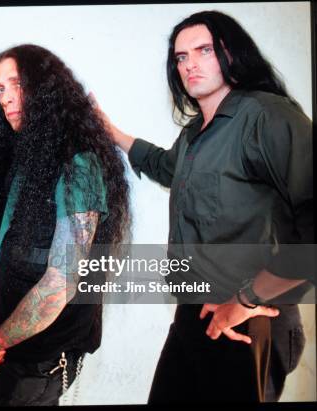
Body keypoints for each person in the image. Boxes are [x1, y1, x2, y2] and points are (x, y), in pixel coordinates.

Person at [93, 10, 313, 403]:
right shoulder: (195, 132)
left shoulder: (268, 116)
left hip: (249, 319)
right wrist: (111, 133)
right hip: (193, 313)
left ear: (232, 54)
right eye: (180, 57)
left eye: (203, 50)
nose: (189, 64)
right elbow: (167, 167)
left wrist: (245, 300)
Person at [0, 44, 130, 406]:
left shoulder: (79, 164)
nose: (6, 98)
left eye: (16, 84)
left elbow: (61, 282)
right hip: (12, 353)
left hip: (40, 364)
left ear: (46, 87)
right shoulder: (20, 160)